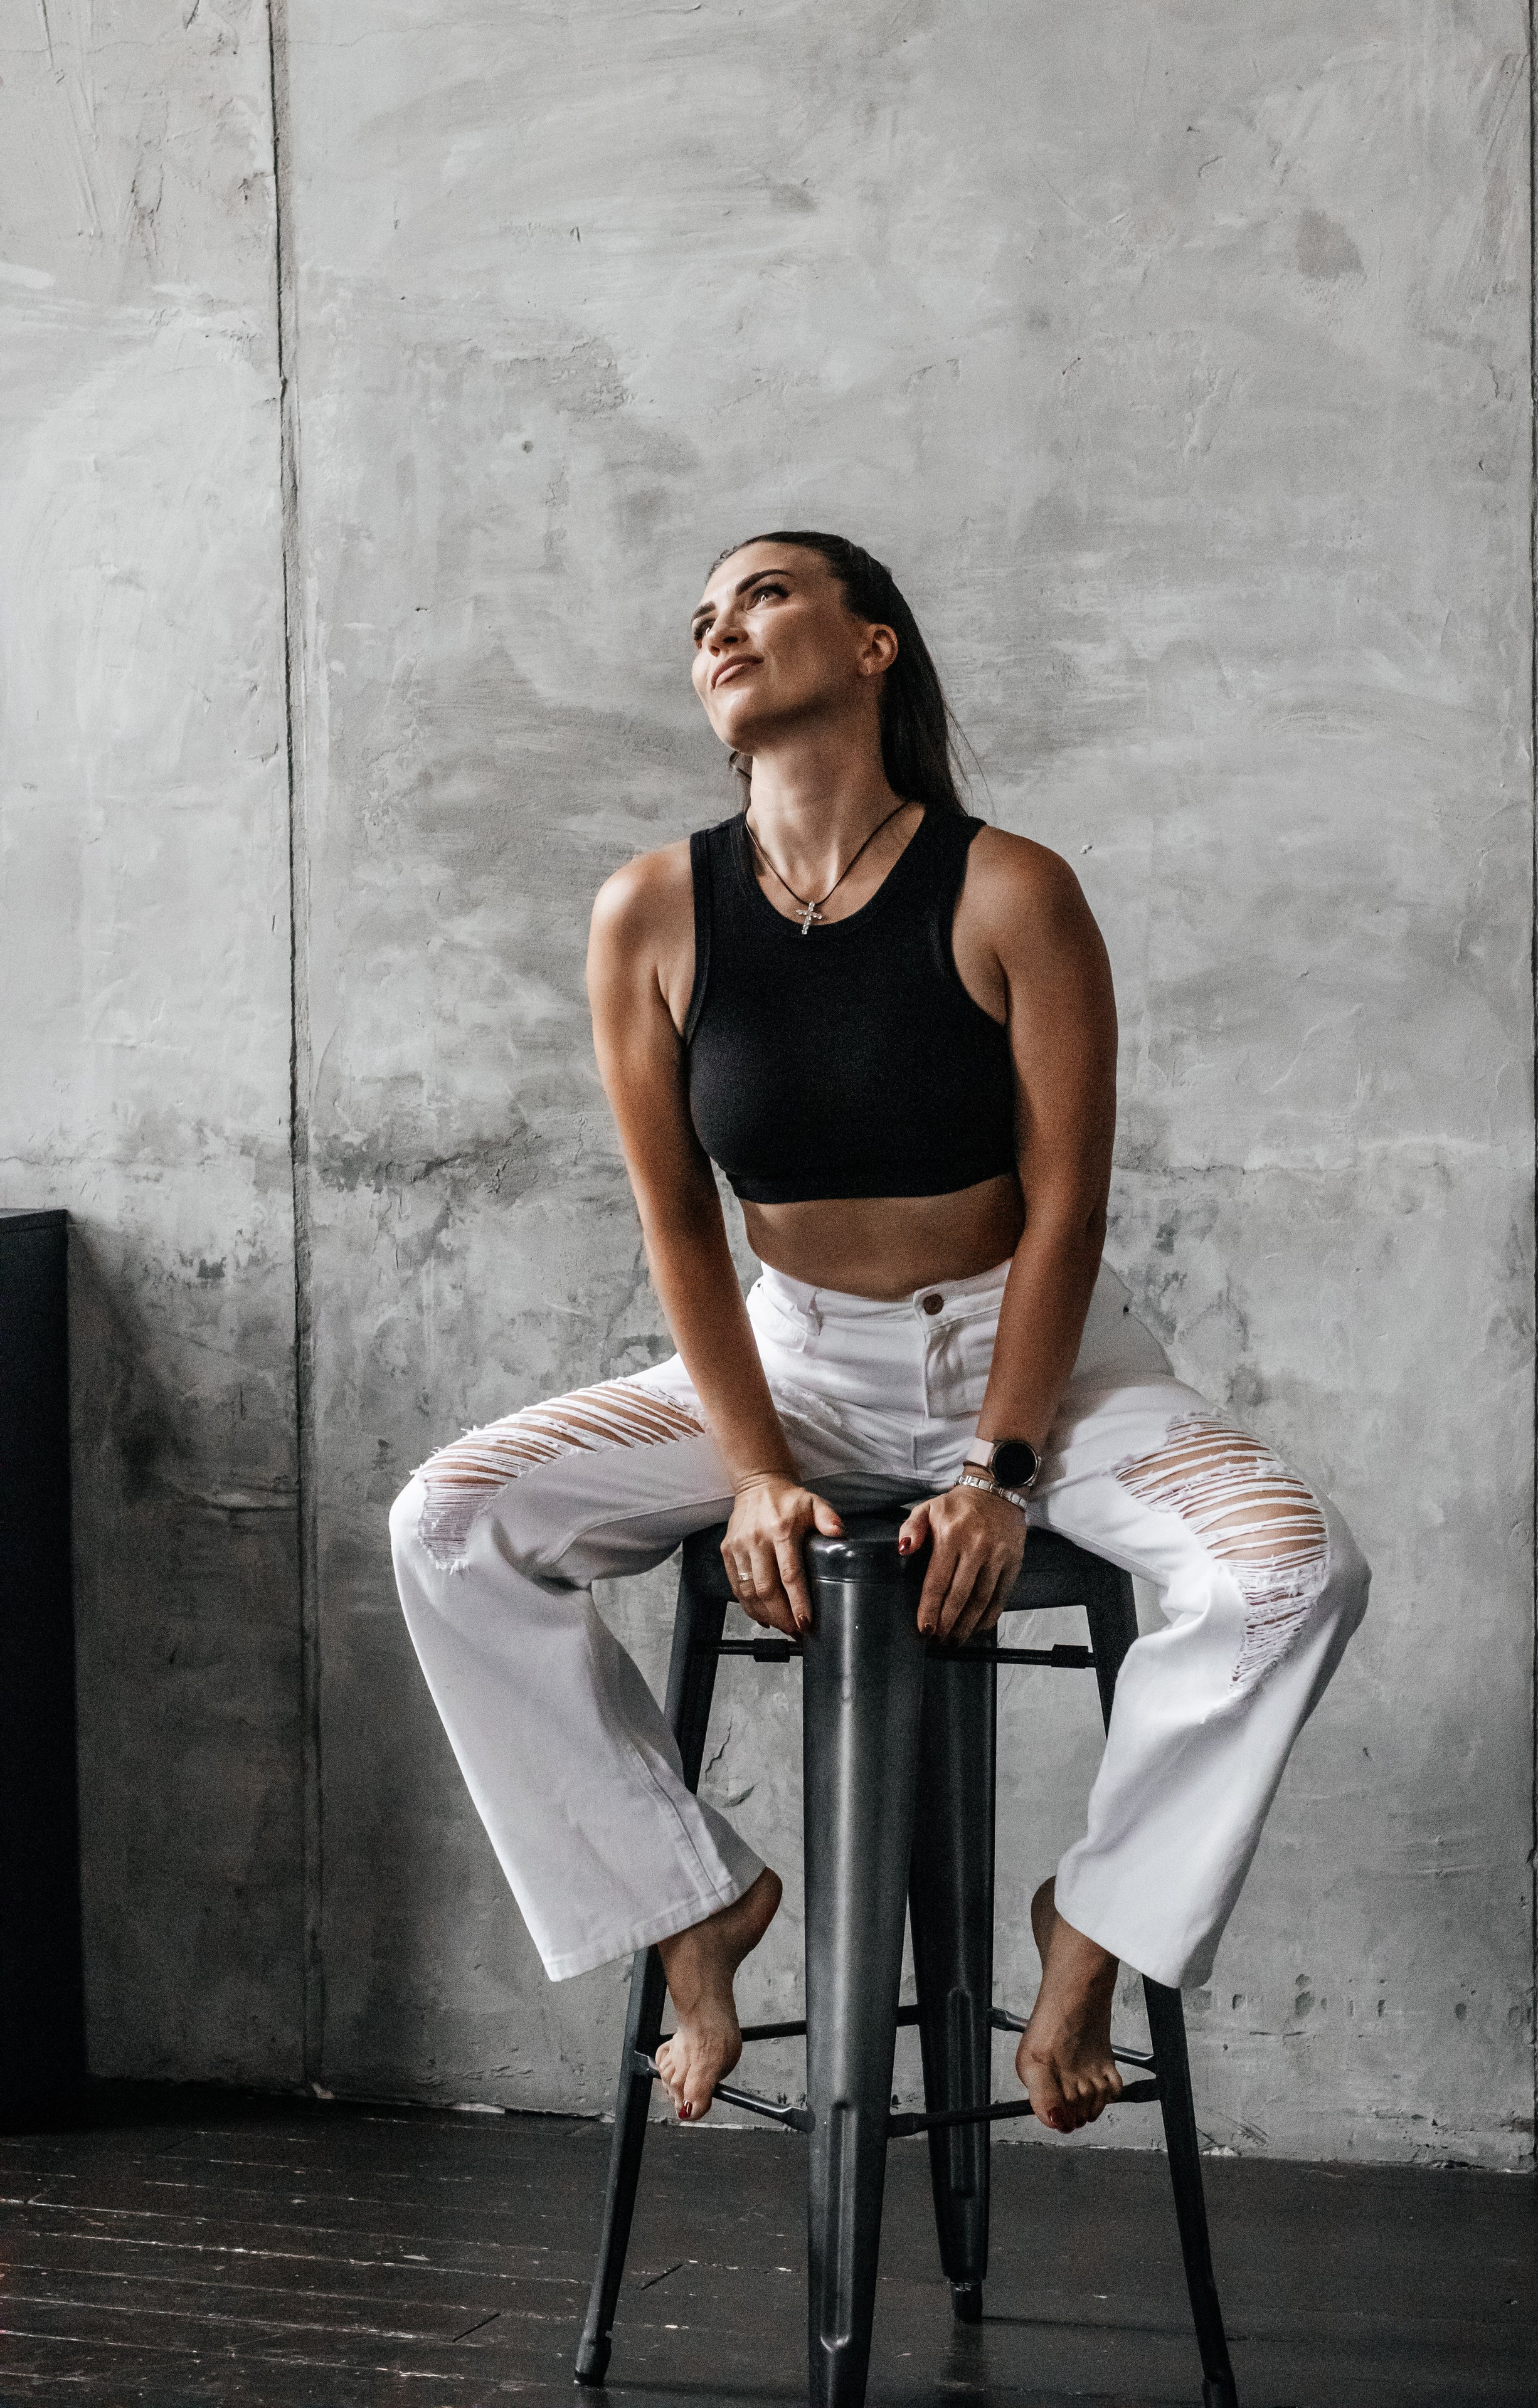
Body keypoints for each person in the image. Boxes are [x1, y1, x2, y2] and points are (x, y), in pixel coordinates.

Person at [390, 531, 1369, 2134]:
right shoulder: (650, 911)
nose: (721, 629)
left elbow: (1066, 1209)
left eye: (764, 595)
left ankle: (1091, 1925)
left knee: (1291, 1569)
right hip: (790, 1366)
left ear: (871, 646)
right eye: (701, 619)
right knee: (447, 1521)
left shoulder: (1009, 890)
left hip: (1039, 1365)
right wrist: (754, 1470)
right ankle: (690, 1898)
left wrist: (997, 1467)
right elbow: (679, 1225)